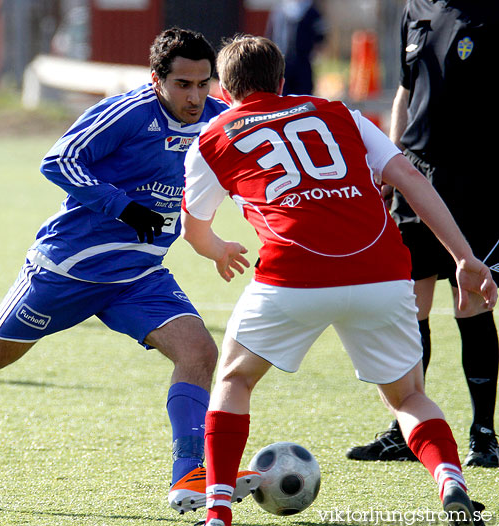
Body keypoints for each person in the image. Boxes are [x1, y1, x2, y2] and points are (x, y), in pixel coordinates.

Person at [0, 27, 261, 512]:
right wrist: (122, 207)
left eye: (203, 83)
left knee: (198, 352)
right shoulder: (127, 114)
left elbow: (259, 166)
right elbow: (58, 159)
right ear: (156, 81)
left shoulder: (218, 120)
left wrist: (220, 244)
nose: (195, 96)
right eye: (183, 84)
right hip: (67, 269)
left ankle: (189, 472)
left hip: (137, 277)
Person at [180, 35, 496, 526]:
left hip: (292, 277)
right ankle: (451, 479)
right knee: (409, 395)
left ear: (223, 90)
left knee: (235, 379)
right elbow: (410, 179)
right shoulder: (339, 112)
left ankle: (218, 511)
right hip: (382, 270)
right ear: (283, 83)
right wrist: (464, 256)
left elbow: (193, 230)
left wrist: (219, 249)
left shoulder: (213, 136)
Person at [346, 0, 499, 468]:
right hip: (417, 176)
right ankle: (405, 431)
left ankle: (484, 435)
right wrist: (390, 164)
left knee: (470, 303)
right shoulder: (415, 9)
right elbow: (403, 91)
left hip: (476, 183)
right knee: (412, 305)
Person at [265, 0, 325, 95]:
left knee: (304, 93)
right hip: (281, 62)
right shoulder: (279, 10)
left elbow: (320, 36)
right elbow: (270, 35)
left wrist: (316, 54)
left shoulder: (312, 11)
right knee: (282, 94)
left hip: (303, 62)